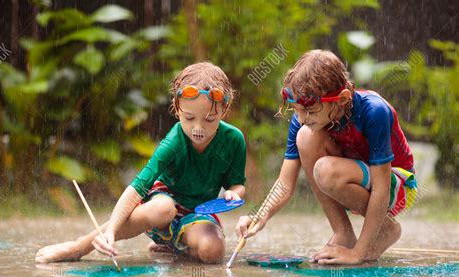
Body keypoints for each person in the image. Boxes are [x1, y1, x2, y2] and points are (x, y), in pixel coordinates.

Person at [36, 62, 246, 264]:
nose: (198, 128)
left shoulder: (234, 140)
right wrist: (108, 232)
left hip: (198, 213)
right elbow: (137, 188)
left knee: (212, 252)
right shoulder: (174, 142)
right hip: (163, 206)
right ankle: (78, 246)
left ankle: (172, 244)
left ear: (224, 110)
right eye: (189, 118)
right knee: (163, 208)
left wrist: (234, 193)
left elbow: (237, 185)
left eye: (209, 120)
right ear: (176, 108)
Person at [236, 50, 417, 265]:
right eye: (297, 110)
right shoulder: (303, 118)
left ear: (341, 99)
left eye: (310, 111)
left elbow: (381, 188)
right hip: (354, 179)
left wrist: (358, 252)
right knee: (305, 138)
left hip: (395, 186)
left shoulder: (374, 111)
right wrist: (259, 216)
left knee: (325, 170)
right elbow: (285, 183)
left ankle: (385, 228)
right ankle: (343, 232)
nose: (302, 118)